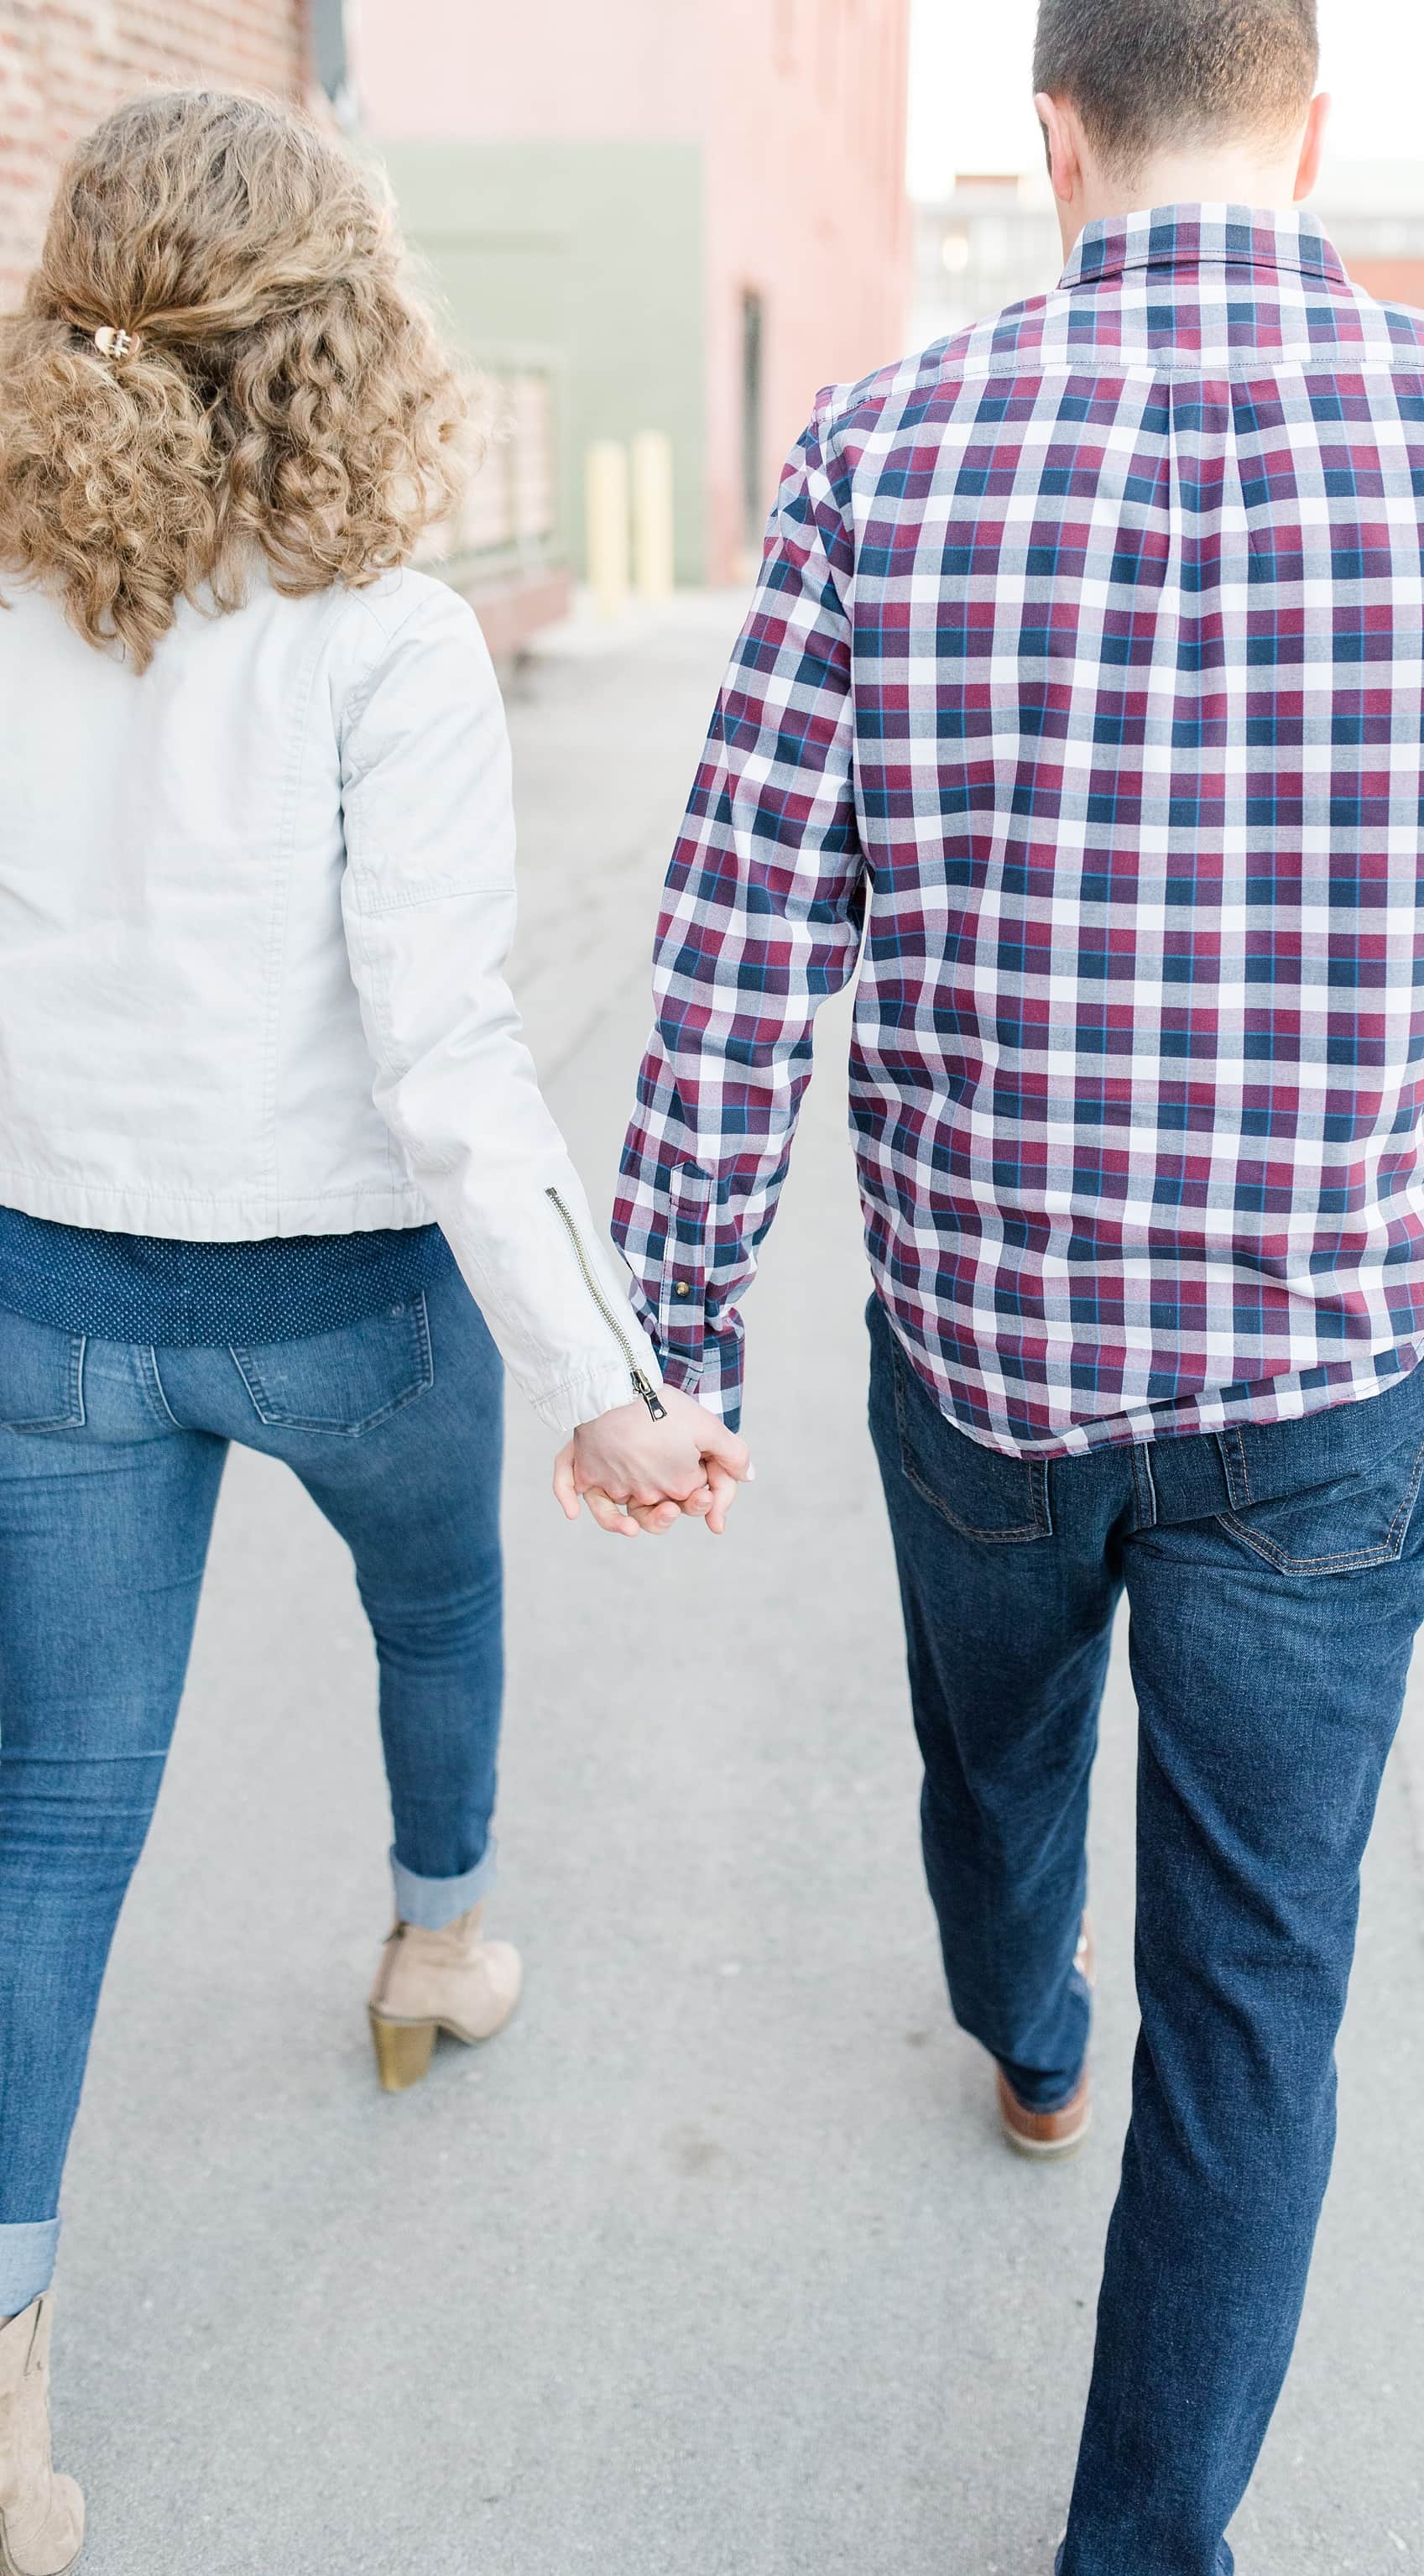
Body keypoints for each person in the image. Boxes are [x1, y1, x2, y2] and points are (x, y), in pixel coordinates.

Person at [612, 1, 1424, 2565]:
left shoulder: (880, 453)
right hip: (1328, 1374)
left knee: (995, 1777)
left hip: (989, 1361)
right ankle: (1142, 2549)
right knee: (1267, 1991)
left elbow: (743, 938)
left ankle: (1022, 2025)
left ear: (1054, 137)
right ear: (1311, 132)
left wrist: (680, 1322)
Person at [0, 89, 746, 2576]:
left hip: (54, 1297)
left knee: (45, 1842)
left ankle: (1, 2419)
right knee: (440, 1588)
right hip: (342, 1294)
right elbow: (452, 1073)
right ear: (342, 330)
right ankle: (438, 1934)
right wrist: (616, 1392)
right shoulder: (387, 637)